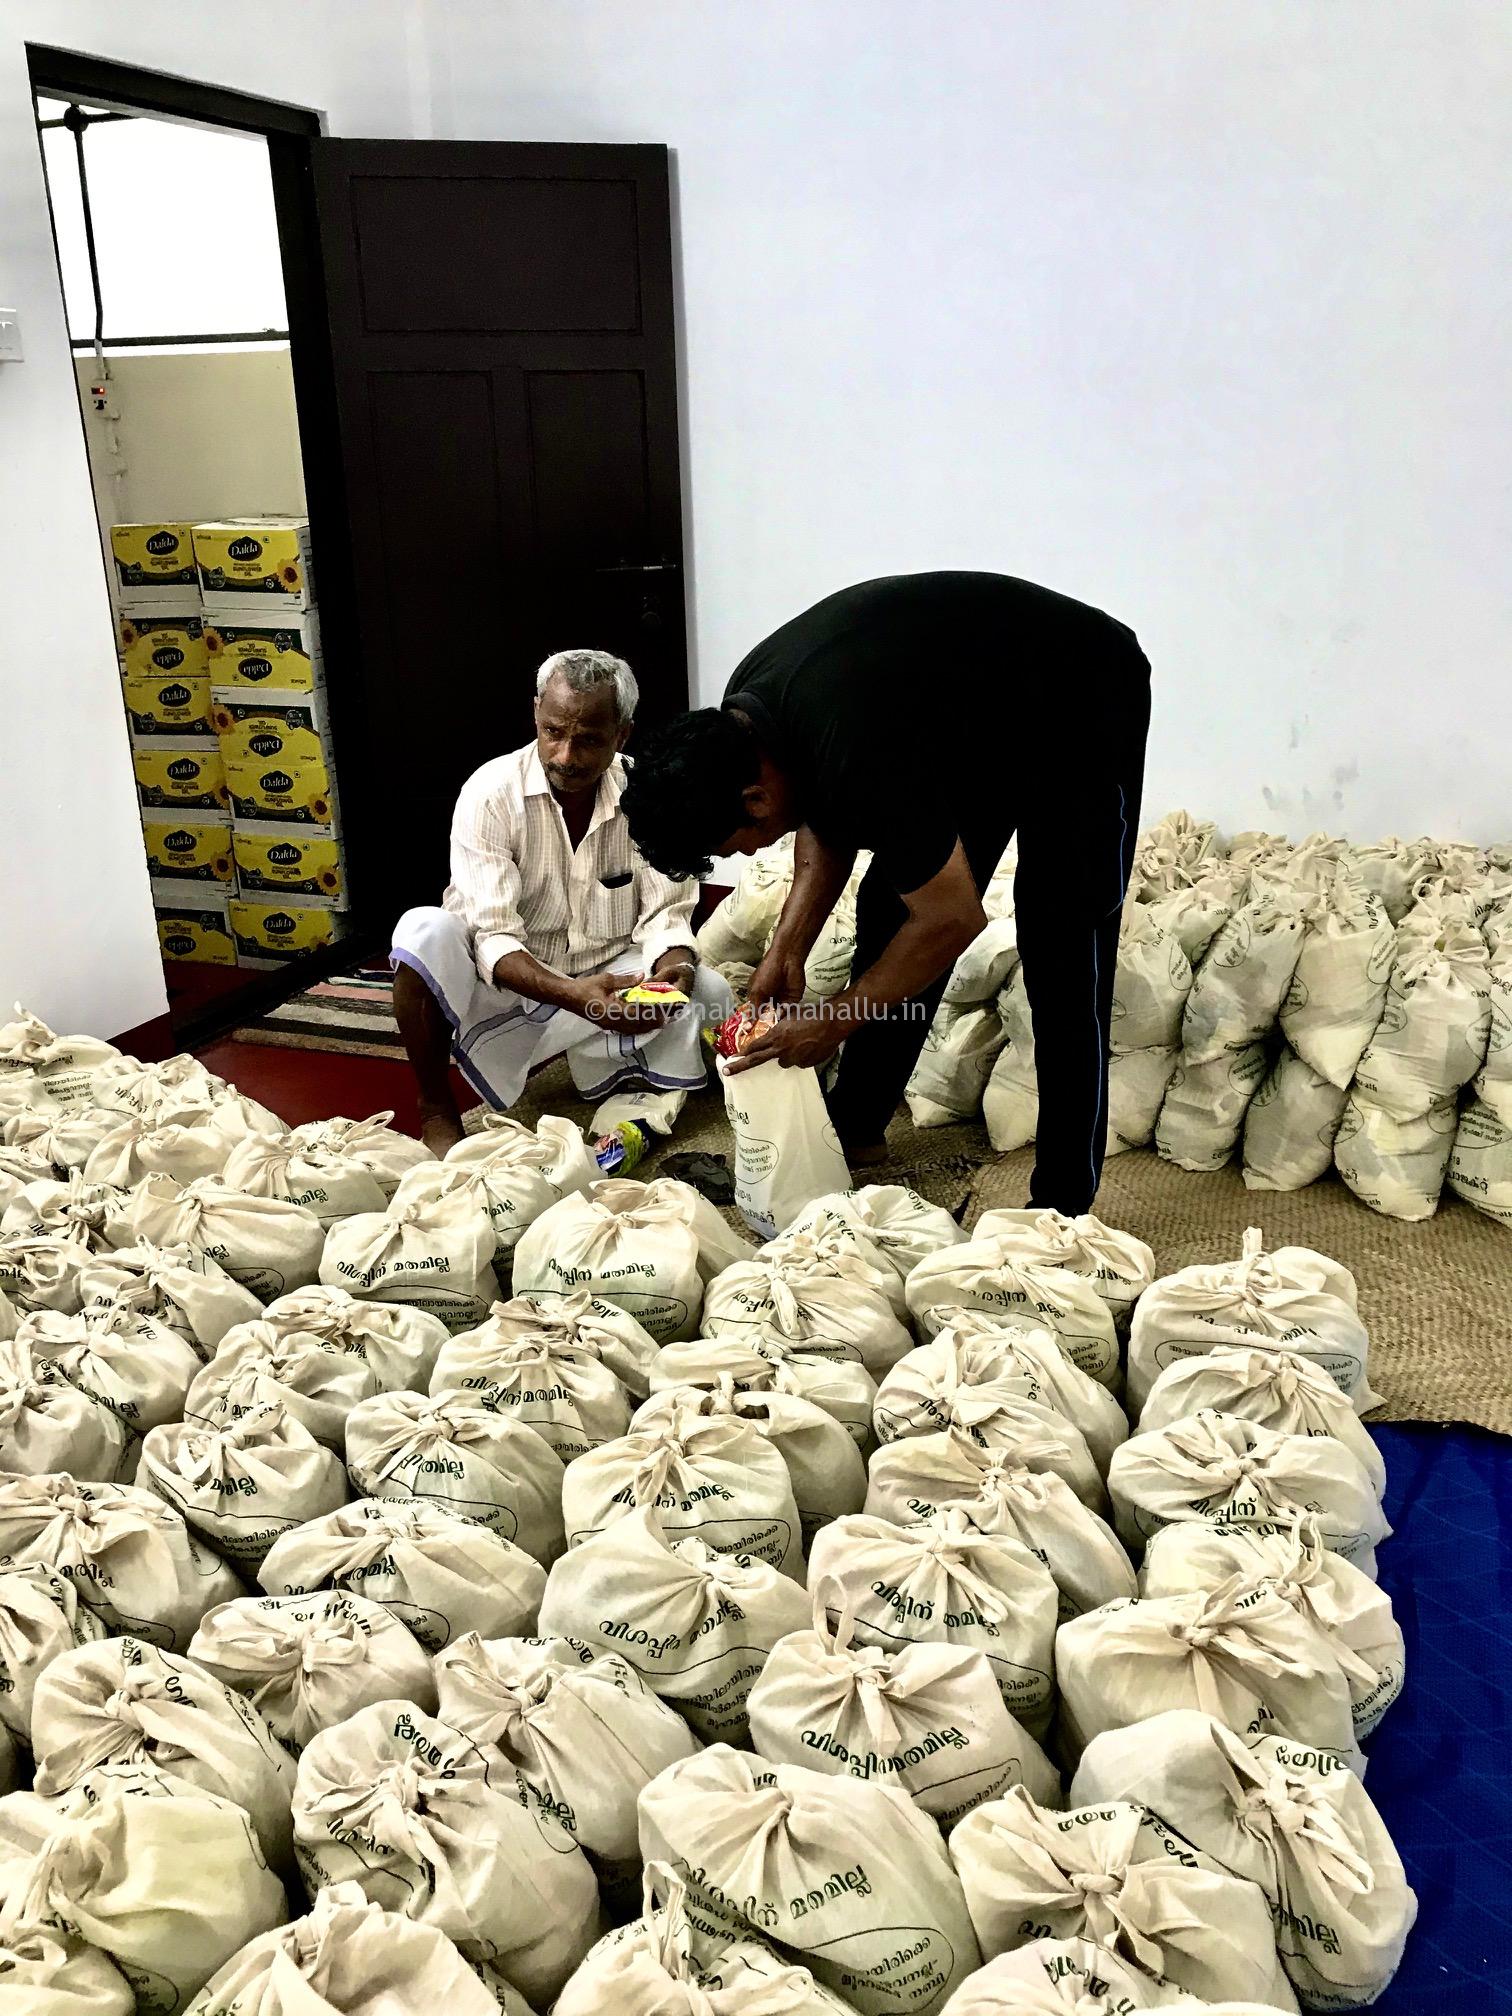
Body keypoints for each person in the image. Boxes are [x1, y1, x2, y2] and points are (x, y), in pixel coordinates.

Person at [621, 572, 1151, 1216]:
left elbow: (953, 919)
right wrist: (786, 950)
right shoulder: (749, 719)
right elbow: (823, 813)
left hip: (1079, 696)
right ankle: (856, 1127)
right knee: (896, 911)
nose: (751, 855)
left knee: (1062, 942)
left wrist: (835, 1020)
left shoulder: (853, 742)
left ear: (755, 799)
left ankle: (1062, 1206)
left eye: (741, 844)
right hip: (974, 721)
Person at [391, 650, 731, 1157]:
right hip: (508, 982)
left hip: (607, 976)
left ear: (622, 735)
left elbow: (667, 916)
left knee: (710, 989)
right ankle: (435, 1108)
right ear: (536, 713)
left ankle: (617, 1080)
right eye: (553, 731)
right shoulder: (490, 793)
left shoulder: (649, 793)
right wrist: (574, 996)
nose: (566, 756)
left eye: (589, 739)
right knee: (423, 931)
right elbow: (493, 934)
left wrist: (674, 971)